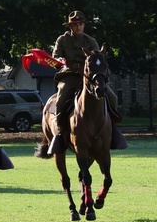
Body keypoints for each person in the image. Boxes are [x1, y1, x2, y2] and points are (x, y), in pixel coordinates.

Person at [48, 10, 127, 153]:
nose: (78, 27)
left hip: (90, 77)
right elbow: (56, 58)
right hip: (70, 75)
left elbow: (99, 58)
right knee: (61, 100)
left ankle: (113, 130)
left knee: (113, 97)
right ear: (70, 26)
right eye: (75, 24)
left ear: (84, 25)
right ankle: (60, 132)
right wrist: (60, 60)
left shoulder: (90, 41)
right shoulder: (62, 40)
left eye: (81, 24)